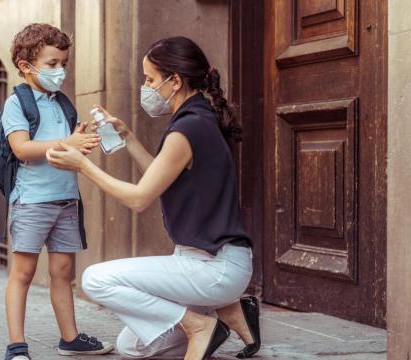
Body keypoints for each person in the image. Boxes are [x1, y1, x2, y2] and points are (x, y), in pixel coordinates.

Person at [46, 36, 261, 359]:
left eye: (149, 79)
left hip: (214, 266)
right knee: (133, 346)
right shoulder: (198, 117)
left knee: (95, 279)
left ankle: (199, 324)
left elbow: (140, 198)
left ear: (174, 81)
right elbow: (161, 178)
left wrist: (83, 167)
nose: (145, 87)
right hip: (204, 264)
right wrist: (128, 137)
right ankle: (226, 311)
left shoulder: (188, 128)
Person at [1, 23, 113, 360]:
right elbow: (22, 148)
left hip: (66, 199)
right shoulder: (15, 104)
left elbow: (62, 151)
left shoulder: (63, 103)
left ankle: (70, 338)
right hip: (32, 201)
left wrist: (80, 140)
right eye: (52, 64)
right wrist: (68, 141)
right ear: (26, 66)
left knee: (63, 272)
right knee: (23, 273)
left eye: (64, 63)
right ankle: (16, 345)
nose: (60, 71)